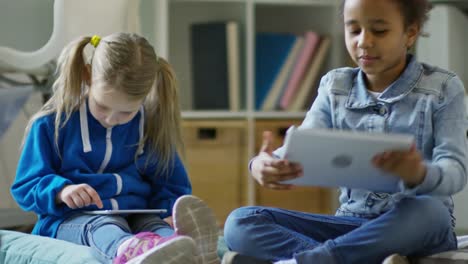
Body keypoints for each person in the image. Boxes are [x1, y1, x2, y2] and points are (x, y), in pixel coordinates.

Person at [222, 0, 468, 263]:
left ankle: (302, 261)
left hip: (416, 228)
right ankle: (355, 258)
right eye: (354, 30)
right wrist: (262, 164)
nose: (364, 41)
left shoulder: (443, 87)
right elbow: (305, 144)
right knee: (240, 222)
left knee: (429, 210)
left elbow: (455, 170)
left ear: (410, 32)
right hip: (351, 225)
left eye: (379, 31)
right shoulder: (334, 85)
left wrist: (419, 174)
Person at [11, 33, 220, 264]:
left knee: (155, 227)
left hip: (136, 215)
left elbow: (170, 182)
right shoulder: (52, 124)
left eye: (126, 112)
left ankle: (184, 247)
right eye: (102, 106)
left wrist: (169, 213)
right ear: (87, 76)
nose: (111, 119)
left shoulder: (149, 126)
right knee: (104, 228)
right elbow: (25, 185)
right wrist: (61, 191)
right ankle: (131, 251)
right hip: (73, 220)